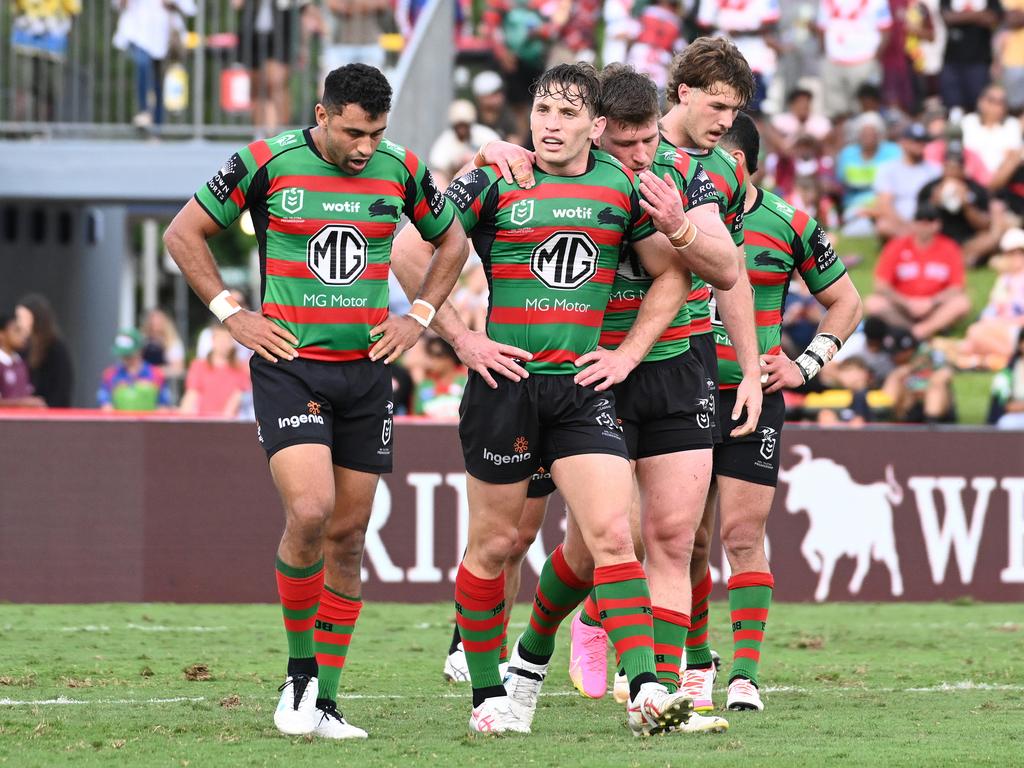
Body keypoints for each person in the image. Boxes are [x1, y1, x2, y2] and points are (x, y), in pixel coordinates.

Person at [391, 62, 735, 736]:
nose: (551, 125)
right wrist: (461, 337)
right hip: (505, 385)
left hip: (581, 390)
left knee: (614, 535)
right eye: (542, 111)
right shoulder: (494, 176)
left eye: (567, 114)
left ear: (595, 125)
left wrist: (628, 352)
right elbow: (409, 250)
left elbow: (676, 275)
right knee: (495, 545)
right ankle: (490, 696)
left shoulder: (622, 185)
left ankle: (646, 693)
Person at [162, 63, 469, 739]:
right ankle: (299, 674)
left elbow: (453, 240)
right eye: (355, 132)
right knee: (310, 509)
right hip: (290, 367)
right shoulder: (266, 163)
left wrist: (417, 314)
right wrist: (231, 313)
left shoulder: (403, 169)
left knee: (349, 539)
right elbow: (182, 234)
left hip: (366, 374)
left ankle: (325, 700)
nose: (366, 147)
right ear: (322, 113)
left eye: (377, 133)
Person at [683, 113, 861, 711]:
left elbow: (845, 301)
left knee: (740, 535)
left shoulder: (788, 223)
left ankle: (745, 676)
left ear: (735, 163)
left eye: (710, 158)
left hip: (753, 395)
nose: (697, 168)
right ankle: (695, 660)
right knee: (683, 537)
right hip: (682, 390)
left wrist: (805, 366)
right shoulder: (675, 207)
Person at [865, 202, 971, 340]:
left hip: (935, 307)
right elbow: (881, 285)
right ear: (913, 223)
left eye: (930, 221)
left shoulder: (950, 248)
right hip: (902, 307)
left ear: (938, 224)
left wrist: (932, 302)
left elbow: (957, 287)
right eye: (920, 220)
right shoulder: (896, 246)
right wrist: (906, 302)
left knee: (962, 303)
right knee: (873, 302)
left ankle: (922, 331)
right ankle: (911, 331)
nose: (925, 226)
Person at [234, 0, 319, 133]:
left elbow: (305, 10)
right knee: (257, 90)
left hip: (281, 39)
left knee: (277, 86)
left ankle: (281, 133)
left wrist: (303, 45)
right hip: (252, 38)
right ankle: (260, 134)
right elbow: (237, 4)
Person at [113, 0, 196, 127]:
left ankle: (157, 128)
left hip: (163, 36)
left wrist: (172, 4)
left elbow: (189, 8)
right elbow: (118, 5)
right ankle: (144, 111)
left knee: (158, 83)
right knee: (143, 63)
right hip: (137, 33)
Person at [956, 228, 1024, 369]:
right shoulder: (1003, 280)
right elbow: (992, 309)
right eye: (1012, 253)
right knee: (968, 345)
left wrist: (1001, 323)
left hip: (1017, 331)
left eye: (1020, 253)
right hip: (999, 328)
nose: (1016, 257)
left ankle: (1008, 358)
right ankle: (995, 361)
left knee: (974, 334)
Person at [917, 143, 995, 265]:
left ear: (963, 168)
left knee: (991, 237)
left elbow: (985, 225)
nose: (952, 171)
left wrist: (967, 206)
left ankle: (955, 260)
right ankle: (952, 259)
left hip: (968, 240)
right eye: (949, 166)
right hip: (938, 239)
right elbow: (918, 221)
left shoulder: (977, 189)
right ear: (943, 166)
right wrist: (933, 203)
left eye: (956, 167)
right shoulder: (929, 188)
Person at [815, 0, 893, 119]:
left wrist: (875, 57)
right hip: (834, 60)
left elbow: (885, 29)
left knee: (865, 108)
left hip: (864, 60)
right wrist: (826, 53)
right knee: (836, 111)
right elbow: (821, 27)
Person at [871, 122, 942, 240]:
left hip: (927, 220)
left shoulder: (935, 170)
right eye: (915, 141)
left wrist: (923, 224)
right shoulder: (888, 169)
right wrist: (906, 225)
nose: (920, 145)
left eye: (922, 141)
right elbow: (885, 205)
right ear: (903, 143)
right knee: (883, 225)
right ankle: (912, 243)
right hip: (899, 222)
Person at [882, 327, 956, 422]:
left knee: (936, 387)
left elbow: (946, 373)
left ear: (908, 350)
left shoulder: (931, 355)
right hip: (906, 407)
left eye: (895, 354)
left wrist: (920, 388)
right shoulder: (893, 366)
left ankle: (932, 425)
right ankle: (882, 422)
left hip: (934, 405)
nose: (892, 357)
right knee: (894, 378)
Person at [938, 0, 1001, 113]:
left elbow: (993, 18)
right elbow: (948, 17)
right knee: (954, 107)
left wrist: (960, 16)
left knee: (979, 105)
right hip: (952, 59)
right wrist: (980, 14)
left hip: (979, 60)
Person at [179, 324, 253, 417]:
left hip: (228, 424)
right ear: (213, 340)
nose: (223, 344)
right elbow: (191, 396)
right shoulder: (198, 366)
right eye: (220, 339)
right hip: (203, 422)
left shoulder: (241, 369)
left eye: (227, 339)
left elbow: (235, 401)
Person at [15, 293, 73, 407]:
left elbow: (62, 386)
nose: (19, 323)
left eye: (23, 318)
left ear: (36, 317)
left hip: (49, 413)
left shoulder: (55, 347)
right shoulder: (23, 348)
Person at [428, 100, 502, 188]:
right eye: (459, 125)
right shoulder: (446, 141)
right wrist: (456, 164)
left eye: (465, 125)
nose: (462, 129)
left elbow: (498, 150)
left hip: (485, 181)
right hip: (455, 186)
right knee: (436, 178)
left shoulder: (484, 135)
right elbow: (437, 164)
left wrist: (477, 160)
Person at [97, 328, 172, 411]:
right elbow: (105, 403)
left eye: (129, 355)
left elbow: (163, 406)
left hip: (149, 423)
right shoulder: (110, 374)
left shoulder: (156, 374)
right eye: (122, 355)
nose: (125, 358)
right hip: (120, 422)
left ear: (140, 351)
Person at [413, 335, 468, 419]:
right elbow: (417, 417)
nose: (432, 361)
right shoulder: (425, 385)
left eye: (437, 355)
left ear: (450, 357)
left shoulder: (465, 383)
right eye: (430, 355)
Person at [0, 308, 45, 408]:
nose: (23, 335)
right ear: (1, 334)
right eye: (16, 330)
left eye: (23, 330)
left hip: (22, 423)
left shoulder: (21, 363)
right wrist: (22, 404)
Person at [989, 328, 1024, 428]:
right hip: (1015, 417)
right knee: (1006, 424)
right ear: (1020, 344)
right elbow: (1005, 405)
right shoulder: (1006, 373)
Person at [141, 307, 185, 379]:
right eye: (153, 322)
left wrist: (154, 371)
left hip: (163, 383)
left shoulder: (173, 343)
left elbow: (178, 369)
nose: (155, 324)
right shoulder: (143, 340)